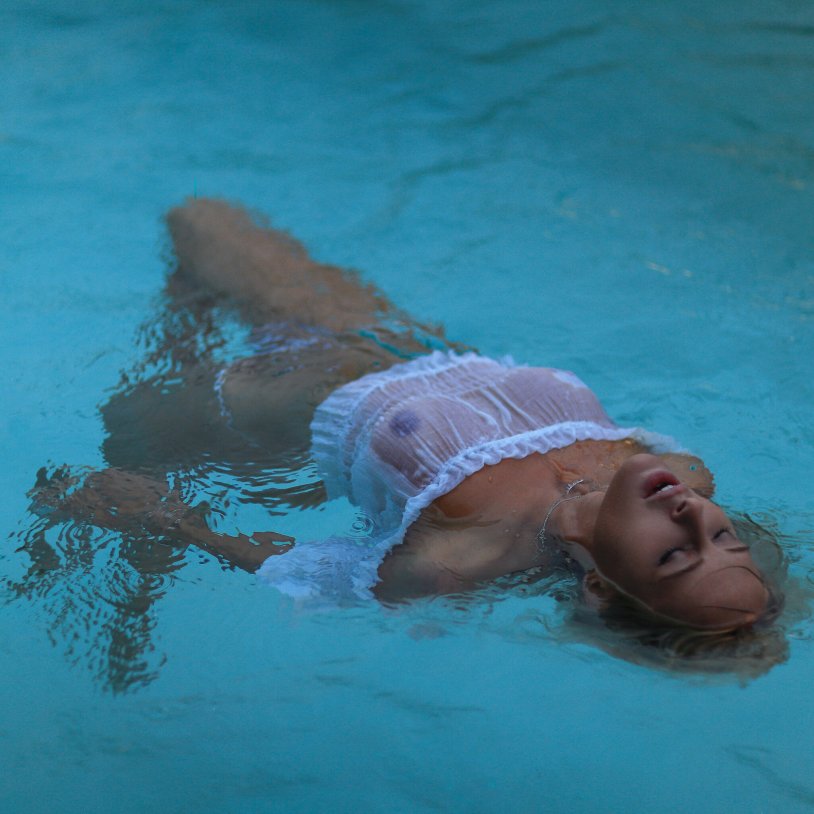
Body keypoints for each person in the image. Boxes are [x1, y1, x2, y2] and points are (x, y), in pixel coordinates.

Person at [33, 198, 778, 642]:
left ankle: (182, 330)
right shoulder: (683, 472)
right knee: (198, 224)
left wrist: (164, 521)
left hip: (270, 407)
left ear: (602, 591)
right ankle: (186, 307)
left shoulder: (464, 558)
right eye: (721, 536)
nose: (691, 516)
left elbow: (314, 575)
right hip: (390, 334)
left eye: (675, 557)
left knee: (133, 413)